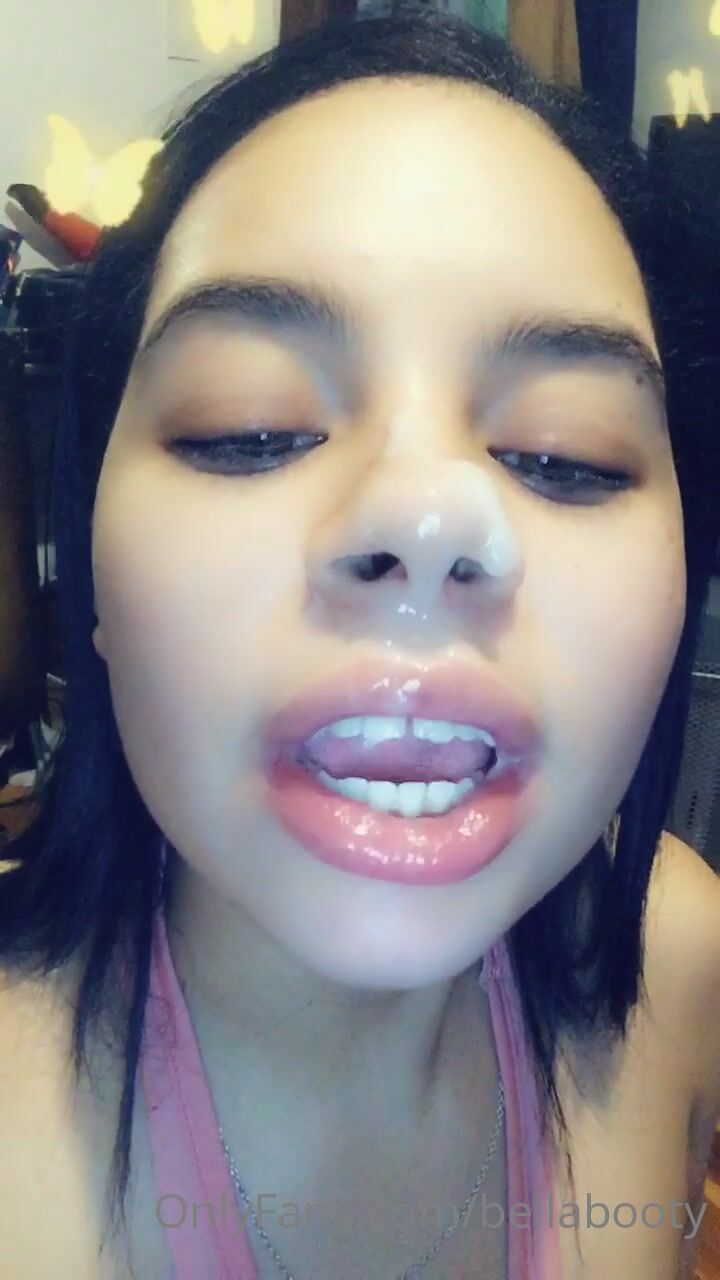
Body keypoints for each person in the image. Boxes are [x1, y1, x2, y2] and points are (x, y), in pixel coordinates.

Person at [1, 7, 719, 1279]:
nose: (427, 517)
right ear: (93, 549)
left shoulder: (679, 959)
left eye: (566, 453)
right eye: (249, 428)